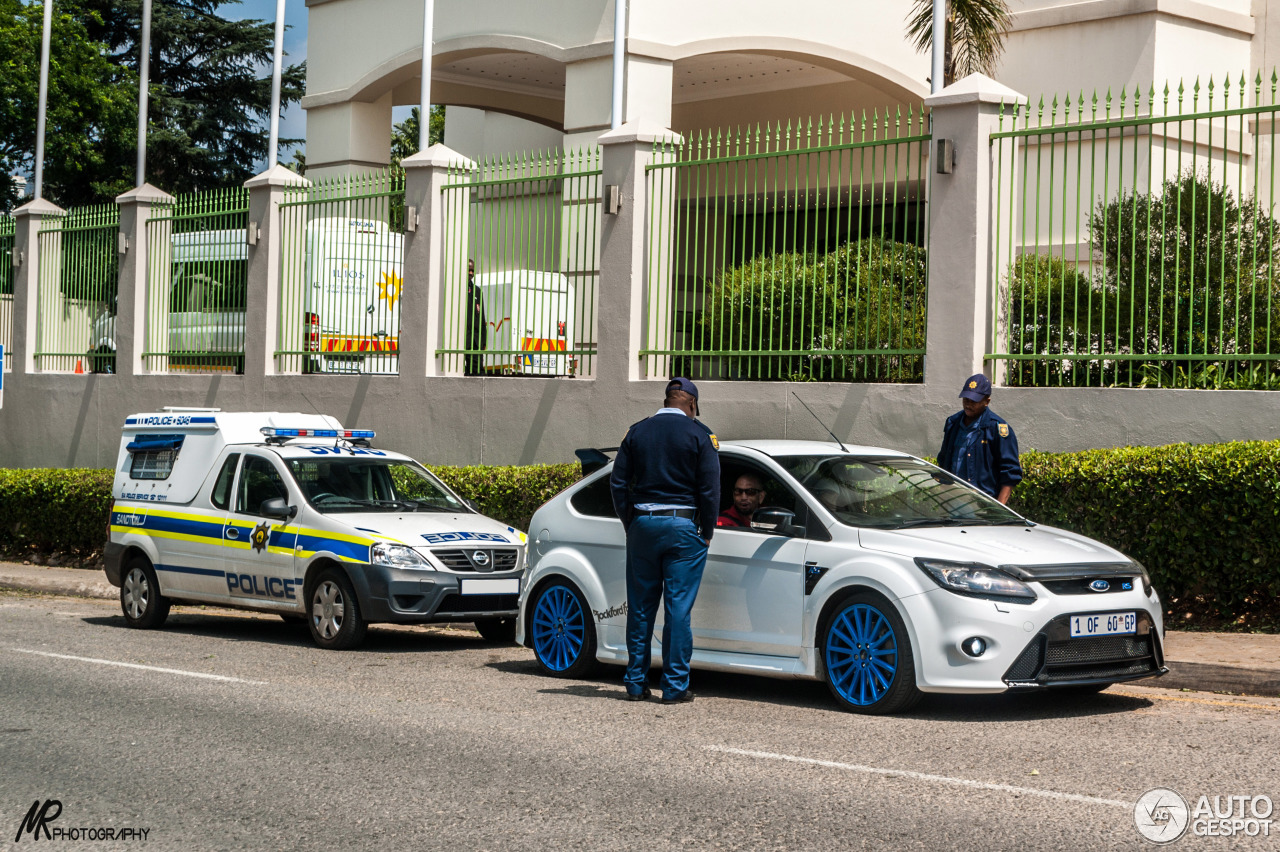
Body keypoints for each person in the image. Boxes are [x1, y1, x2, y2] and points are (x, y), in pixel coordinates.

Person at [610, 377, 720, 704]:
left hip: (643, 525)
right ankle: (673, 688)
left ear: (667, 400)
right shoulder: (700, 435)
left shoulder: (637, 431)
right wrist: (708, 531)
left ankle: (635, 684)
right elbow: (710, 489)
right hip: (684, 528)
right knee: (678, 610)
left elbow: (618, 484)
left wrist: (632, 521)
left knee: (641, 609)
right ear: (692, 405)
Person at [937, 373, 1022, 504]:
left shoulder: (997, 428)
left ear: (986, 402)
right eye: (966, 399)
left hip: (983, 505)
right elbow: (943, 461)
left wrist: (998, 509)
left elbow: (1010, 473)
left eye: (974, 401)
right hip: (952, 501)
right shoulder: (953, 423)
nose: (968, 405)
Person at [464, 259, 487, 376]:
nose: (471, 273)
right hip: (461, 340)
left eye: (472, 270)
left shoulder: (477, 291)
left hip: (475, 340)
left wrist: (484, 340)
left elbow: (482, 317)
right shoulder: (457, 289)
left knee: (478, 372)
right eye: (469, 270)